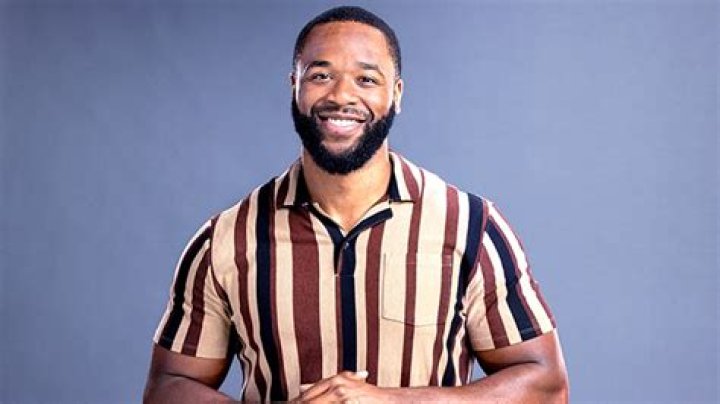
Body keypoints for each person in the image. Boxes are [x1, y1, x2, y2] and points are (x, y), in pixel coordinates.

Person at [143, 6, 569, 403]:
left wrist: (392, 401)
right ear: (294, 87)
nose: (341, 96)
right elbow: (167, 387)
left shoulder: (471, 227)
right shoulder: (226, 238)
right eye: (320, 76)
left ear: (396, 93)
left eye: (366, 79)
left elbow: (546, 385)